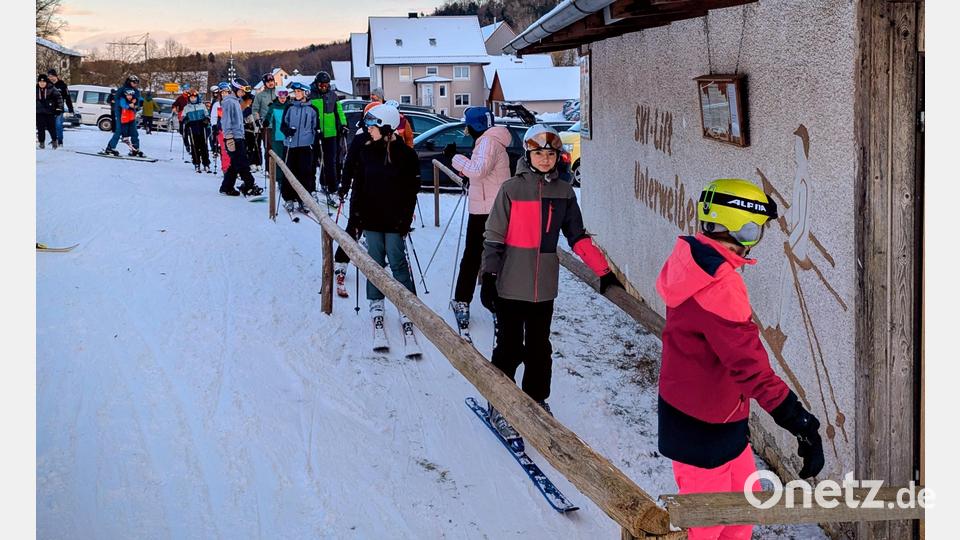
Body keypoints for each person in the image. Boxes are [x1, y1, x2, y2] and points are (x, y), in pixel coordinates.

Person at [655, 178, 825, 540]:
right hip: (701, 429)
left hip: (719, 418)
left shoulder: (692, 259)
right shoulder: (719, 283)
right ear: (741, 228)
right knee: (708, 527)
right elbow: (750, 367)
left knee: (741, 517)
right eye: (756, 229)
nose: (757, 236)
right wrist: (801, 423)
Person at [479, 124, 621, 437]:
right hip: (510, 284)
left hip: (543, 287)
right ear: (528, 154)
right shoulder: (511, 189)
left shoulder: (564, 192)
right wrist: (488, 275)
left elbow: (577, 236)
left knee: (540, 349)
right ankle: (500, 402)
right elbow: (494, 235)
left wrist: (603, 272)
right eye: (539, 153)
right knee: (510, 348)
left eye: (551, 153)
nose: (545, 159)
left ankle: (536, 399)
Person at [351, 104, 421, 340]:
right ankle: (376, 302)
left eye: (372, 125)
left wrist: (405, 218)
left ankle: (407, 302)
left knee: (397, 259)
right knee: (374, 261)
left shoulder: (406, 155)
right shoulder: (367, 152)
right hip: (371, 217)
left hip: (394, 218)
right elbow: (359, 185)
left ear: (386, 126)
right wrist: (357, 214)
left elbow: (412, 190)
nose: (368, 130)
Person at [447, 107, 512, 333]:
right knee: (493, 257)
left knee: (473, 257)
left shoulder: (486, 142)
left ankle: (464, 301)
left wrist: (454, 158)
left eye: (467, 124)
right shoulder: (493, 140)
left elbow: (478, 170)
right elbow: (486, 174)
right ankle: (497, 304)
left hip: (485, 211)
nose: (465, 128)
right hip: (495, 208)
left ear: (474, 126)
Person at [332, 107, 374, 297]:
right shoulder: (360, 139)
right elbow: (349, 164)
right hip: (361, 190)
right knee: (354, 228)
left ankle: (376, 264)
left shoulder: (390, 139)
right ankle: (341, 262)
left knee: (377, 229)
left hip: (380, 194)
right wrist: (344, 186)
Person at [218, 78, 263, 197]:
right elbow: (226, 121)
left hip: (239, 137)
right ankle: (249, 185)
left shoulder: (236, 102)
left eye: (244, 92)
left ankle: (226, 187)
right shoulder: (229, 102)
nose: (243, 94)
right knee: (242, 164)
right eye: (241, 91)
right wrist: (229, 138)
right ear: (236, 89)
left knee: (235, 164)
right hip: (233, 138)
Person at [278, 82, 319, 212]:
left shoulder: (312, 109)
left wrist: (318, 133)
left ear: (305, 93)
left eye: (299, 92)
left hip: (306, 145)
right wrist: (287, 131)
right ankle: (289, 198)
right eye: (295, 92)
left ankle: (303, 199)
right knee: (289, 172)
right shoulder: (289, 107)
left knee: (305, 173)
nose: (297, 94)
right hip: (290, 144)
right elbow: (283, 126)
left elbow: (315, 126)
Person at [309, 71, 348, 204]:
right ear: (317, 83)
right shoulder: (311, 95)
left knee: (330, 162)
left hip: (331, 133)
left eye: (326, 84)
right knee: (313, 161)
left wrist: (343, 124)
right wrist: (313, 128)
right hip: (315, 133)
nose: (324, 86)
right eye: (321, 84)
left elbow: (339, 112)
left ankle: (332, 187)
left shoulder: (333, 95)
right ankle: (311, 188)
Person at [102, 75, 142, 156]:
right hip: (122, 114)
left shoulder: (136, 91)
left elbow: (138, 101)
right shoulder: (121, 90)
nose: (136, 84)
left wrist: (136, 103)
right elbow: (118, 102)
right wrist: (125, 107)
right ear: (129, 81)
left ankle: (135, 148)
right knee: (119, 131)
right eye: (134, 82)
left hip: (131, 114)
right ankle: (110, 148)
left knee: (134, 132)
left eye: (137, 83)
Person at [263, 86, 290, 195]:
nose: (283, 99)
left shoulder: (289, 106)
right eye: (281, 97)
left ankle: (288, 179)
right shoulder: (273, 106)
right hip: (277, 136)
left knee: (287, 158)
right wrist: (265, 121)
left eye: (285, 97)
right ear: (278, 96)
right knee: (279, 159)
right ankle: (279, 180)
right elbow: (268, 116)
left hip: (288, 137)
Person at [182, 89, 212, 173]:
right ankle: (196, 162)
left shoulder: (202, 106)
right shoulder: (187, 107)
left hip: (201, 126)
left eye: (194, 97)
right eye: (191, 98)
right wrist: (186, 120)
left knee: (204, 146)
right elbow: (183, 117)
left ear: (197, 97)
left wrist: (206, 119)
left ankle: (206, 163)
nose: (193, 99)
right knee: (194, 146)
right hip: (192, 127)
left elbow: (207, 115)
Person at [253, 72, 277, 167]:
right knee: (269, 148)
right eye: (268, 81)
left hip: (279, 125)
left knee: (279, 147)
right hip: (267, 126)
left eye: (272, 80)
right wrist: (257, 120)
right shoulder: (260, 96)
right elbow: (255, 109)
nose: (271, 83)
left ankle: (279, 168)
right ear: (264, 83)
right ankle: (269, 168)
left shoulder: (279, 93)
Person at [46, 69, 73, 146]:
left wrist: (71, 109)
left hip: (59, 108)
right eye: (49, 76)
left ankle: (60, 140)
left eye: (51, 76)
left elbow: (68, 98)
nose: (50, 78)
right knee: (51, 126)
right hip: (50, 109)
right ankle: (54, 140)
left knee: (58, 125)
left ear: (55, 76)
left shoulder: (62, 85)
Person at [36, 74, 63, 149]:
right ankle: (41, 143)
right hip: (38, 112)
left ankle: (54, 141)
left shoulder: (51, 88)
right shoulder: (35, 89)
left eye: (44, 82)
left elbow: (59, 98)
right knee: (40, 128)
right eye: (40, 82)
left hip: (49, 112)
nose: (42, 83)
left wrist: (59, 108)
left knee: (51, 128)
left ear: (46, 82)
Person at [241, 93, 262, 171]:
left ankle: (259, 162)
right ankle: (251, 162)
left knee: (257, 146)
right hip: (249, 131)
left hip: (257, 131)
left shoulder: (257, 109)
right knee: (250, 147)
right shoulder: (246, 109)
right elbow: (243, 119)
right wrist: (246, 125)